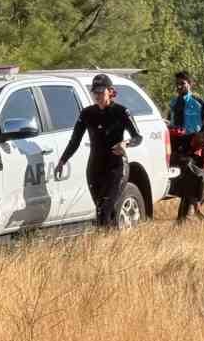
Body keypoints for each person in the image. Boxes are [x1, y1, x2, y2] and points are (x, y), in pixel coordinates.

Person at [56, 73, 143, 229]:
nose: (98, 96)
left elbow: (138, 137)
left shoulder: (121, 112)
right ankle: (110, 244)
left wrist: (126, 143)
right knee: (101, 211)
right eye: (95, 92)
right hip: (95, 167)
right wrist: (62, 161)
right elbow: (74, 141)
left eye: (101, 92)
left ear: (110, 91)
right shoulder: (87, 113)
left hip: (116, 167)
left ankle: (107, 242)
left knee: (105, 209)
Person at [175, 125, 204, 223]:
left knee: (197, 183)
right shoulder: (181, 140)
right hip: (168, 173)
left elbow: (200, 179)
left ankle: (183, 220)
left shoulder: (202, 155)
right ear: (199, 134)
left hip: (184, 181)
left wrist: (197, 204)